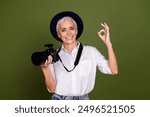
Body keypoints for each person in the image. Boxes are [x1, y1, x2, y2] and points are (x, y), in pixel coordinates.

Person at [40, 11, 118, 100]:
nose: (68, 33)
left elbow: (113, 70)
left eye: (71, 28)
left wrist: (108, 44)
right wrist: (45, 68)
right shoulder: (53, 56)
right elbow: (52, 88)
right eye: (63, 30)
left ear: (76, 31)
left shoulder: (91, 51)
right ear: (58, 34)